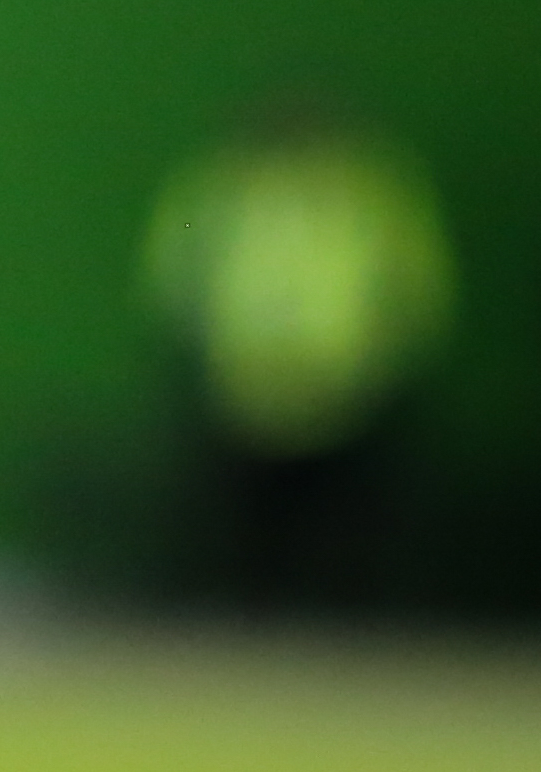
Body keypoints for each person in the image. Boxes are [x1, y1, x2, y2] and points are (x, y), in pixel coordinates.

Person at [140, 106, 454, 611]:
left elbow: (414, 280)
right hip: (240, 379)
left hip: (350, 383)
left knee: (344, 511)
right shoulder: (219, 187)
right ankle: (244, 605)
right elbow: (178, 270)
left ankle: (341, 609)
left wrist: (384, 359)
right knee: (245, 512)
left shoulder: (373, 190)